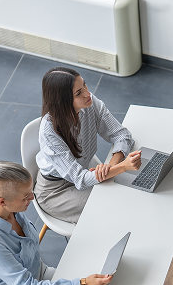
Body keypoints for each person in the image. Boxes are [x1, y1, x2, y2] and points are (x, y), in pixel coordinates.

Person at [35, 67, 142, 224]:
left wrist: (109, 167)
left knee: (125, 194)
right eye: (78, 93)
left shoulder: (90, 103)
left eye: (84, 85)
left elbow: (121, 135)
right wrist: (123, 167)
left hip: (83, 170)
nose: (87, 93)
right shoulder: (49, 132)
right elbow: (80, 179)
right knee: (111, 208)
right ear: (63, 102)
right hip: (56, 190)